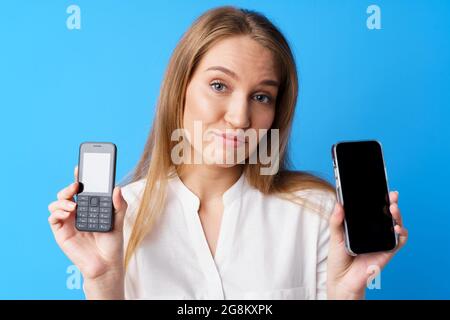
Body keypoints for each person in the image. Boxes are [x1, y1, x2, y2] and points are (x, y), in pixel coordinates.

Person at [48, 6, 407, 300]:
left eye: (261, 96)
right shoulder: (120, 218)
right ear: (181, 89)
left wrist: (347, 291)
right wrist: (102, 279)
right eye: (219, 85)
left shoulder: (318, 213)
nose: (239, 118)